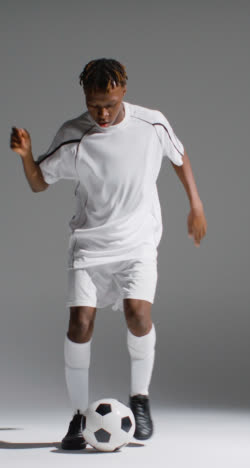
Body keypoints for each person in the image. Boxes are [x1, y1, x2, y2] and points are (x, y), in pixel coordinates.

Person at [10, 58, 207, 450]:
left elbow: (179, 156)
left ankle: (140, 399)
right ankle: (79, 416)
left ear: (123, 92)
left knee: (138, 315)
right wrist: (26, 157)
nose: (101, 112)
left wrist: (196, 205)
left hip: (137, 242)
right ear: (85, 96)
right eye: (94, 103)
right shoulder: (74, 134)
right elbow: (39, 184)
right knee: (79, 325)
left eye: (109, 104)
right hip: (89, 244)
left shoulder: (151, 123)